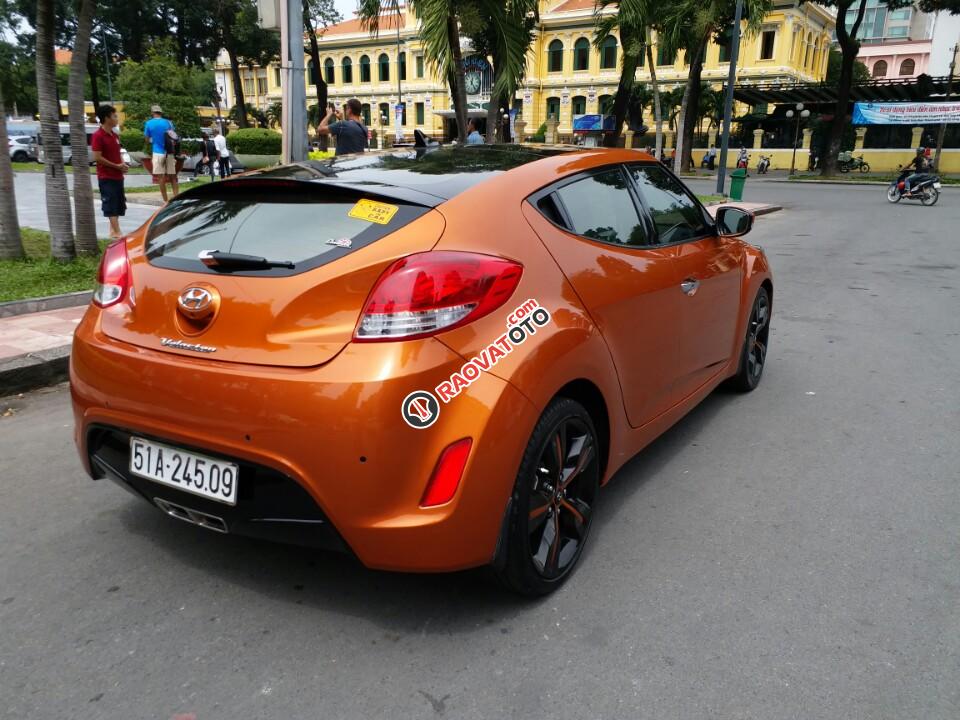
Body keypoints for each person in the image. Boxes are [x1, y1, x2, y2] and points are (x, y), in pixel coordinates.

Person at [90, 104, 128, 240]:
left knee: (118, 202)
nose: (117, 118)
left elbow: (117, 152)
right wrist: (116, 166)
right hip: (106, 176)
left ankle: (112, 230)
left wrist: (122, 164)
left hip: (118, 175)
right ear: (106, 118)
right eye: (114, 116)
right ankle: (117, 232)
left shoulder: (114, 135)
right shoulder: (98, 136)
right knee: (110, 203)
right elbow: (97, 157)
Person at [143, 105, 179, 202]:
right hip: (169, 152)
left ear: (152, 113)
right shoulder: (168, 123)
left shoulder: (148, 123)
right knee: (173, 177)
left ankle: (165, 201)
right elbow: (173, 136)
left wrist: (153, 140)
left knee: (161, 178)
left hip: (157, 152)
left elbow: (147, 140)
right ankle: (176, 199)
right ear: (161, 112)